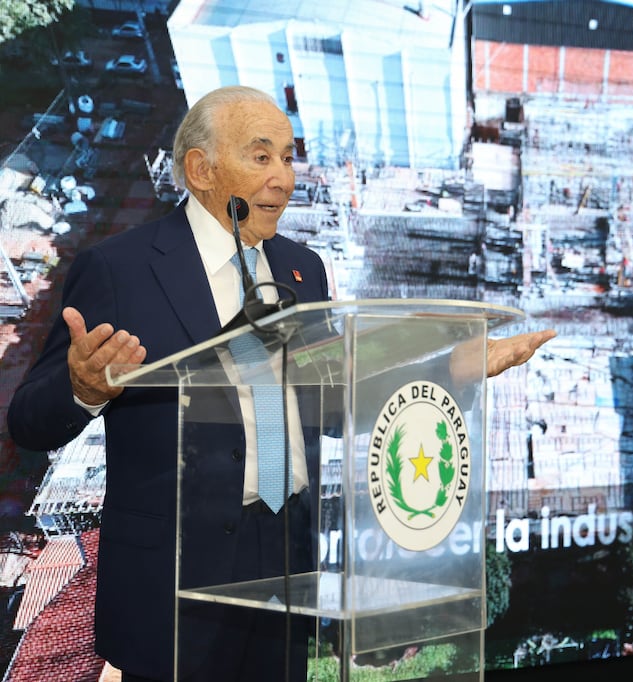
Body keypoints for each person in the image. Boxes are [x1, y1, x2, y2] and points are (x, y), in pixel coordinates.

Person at [6, 85, 555, 682]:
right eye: (262, 156)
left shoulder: (304, 269)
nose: (285, 179)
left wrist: (452, 369)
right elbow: (28, 421)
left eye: (289, 158)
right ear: (201, 169)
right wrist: (83, 388)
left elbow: (333, 402)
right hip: (172, 581)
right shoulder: (121, 269)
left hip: (283, 569)